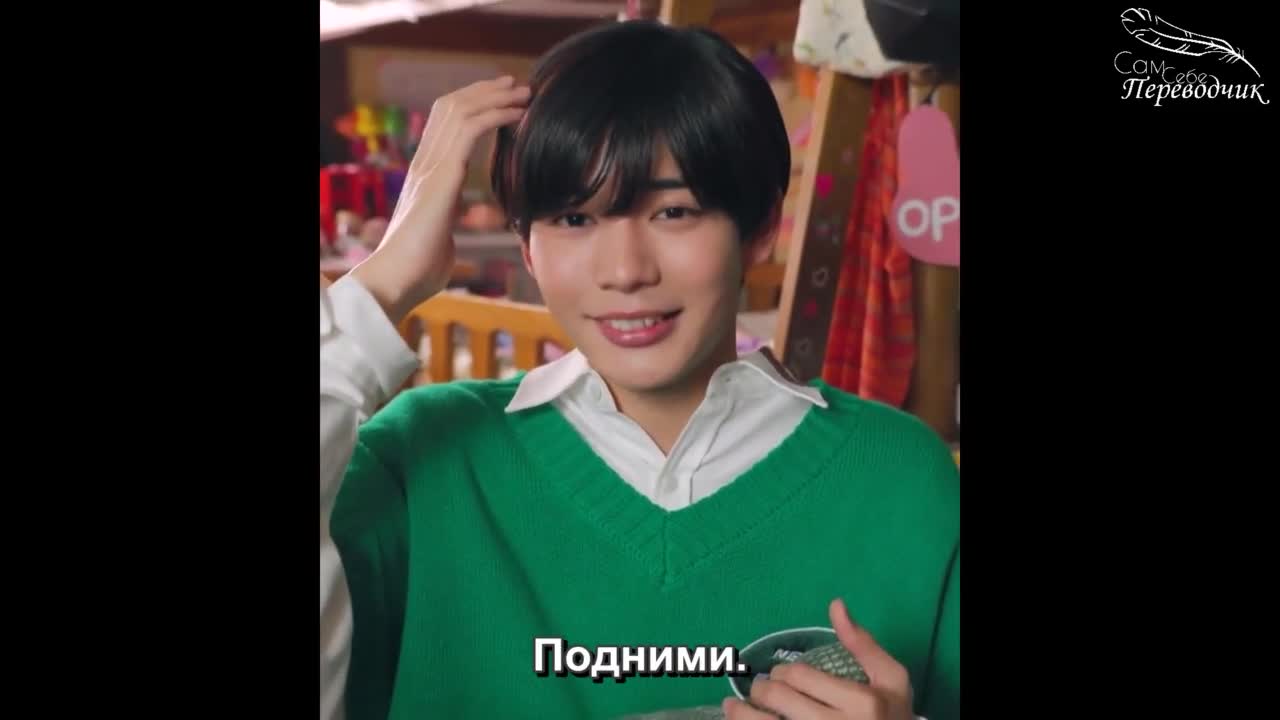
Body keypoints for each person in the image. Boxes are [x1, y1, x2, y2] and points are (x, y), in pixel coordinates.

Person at [320, 21, 958, 720]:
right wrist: (377, 292)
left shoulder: (902, 479)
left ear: (761, 228)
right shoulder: (418, 460)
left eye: (674, 211)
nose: (625, 272)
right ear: (526, 246)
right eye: (573, 219)